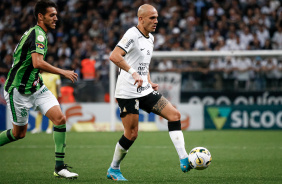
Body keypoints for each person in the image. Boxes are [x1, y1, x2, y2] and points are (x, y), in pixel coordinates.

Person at [106, 4, 192, 181]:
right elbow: (114, 56)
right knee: (132, 134)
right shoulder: (132, 34)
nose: (156, 21)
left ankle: (184, 158)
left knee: (174, 115)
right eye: (152, 18)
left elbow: (143, 63)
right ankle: (114, 169)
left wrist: (148, 80)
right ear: (141, 19)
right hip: (127, 92)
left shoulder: (151, 38)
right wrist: (134, 73)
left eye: (157, 17)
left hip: (144, 89)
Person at [0, 0, 78, 179]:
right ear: (40, 16)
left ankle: (59, 167)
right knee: (19, 133)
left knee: (59, 119)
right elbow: (37, 62)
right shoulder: (39, 35)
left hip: (36, 86)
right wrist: (63, 72)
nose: (56, 18)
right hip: (17, 90)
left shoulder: (37, 33)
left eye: (56, 15)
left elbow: (31, 62)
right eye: (52, 15)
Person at [31, 68, 62, 134]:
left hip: (52, 96)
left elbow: (58, 85)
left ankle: (49, 128)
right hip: (42, 96)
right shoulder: (40, 75)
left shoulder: (55, 75)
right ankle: (37, 128)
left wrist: (59, 93)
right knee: (39, 112)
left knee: (51, 113)